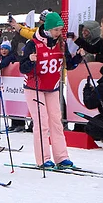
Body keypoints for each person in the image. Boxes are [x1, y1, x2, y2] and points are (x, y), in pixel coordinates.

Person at [19, 11, 82, 169]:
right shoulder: (32, 44)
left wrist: (79, 57)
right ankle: (43, 159)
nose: (59, 33)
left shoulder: (61, 44)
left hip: (52, 87)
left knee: (56, 122)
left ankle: (62, 157)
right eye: (56, 30)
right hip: (35, 87)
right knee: (42, 123)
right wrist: (31, 61)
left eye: (60, 30)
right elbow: (23, 68)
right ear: (47, 29)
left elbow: (70, 64)